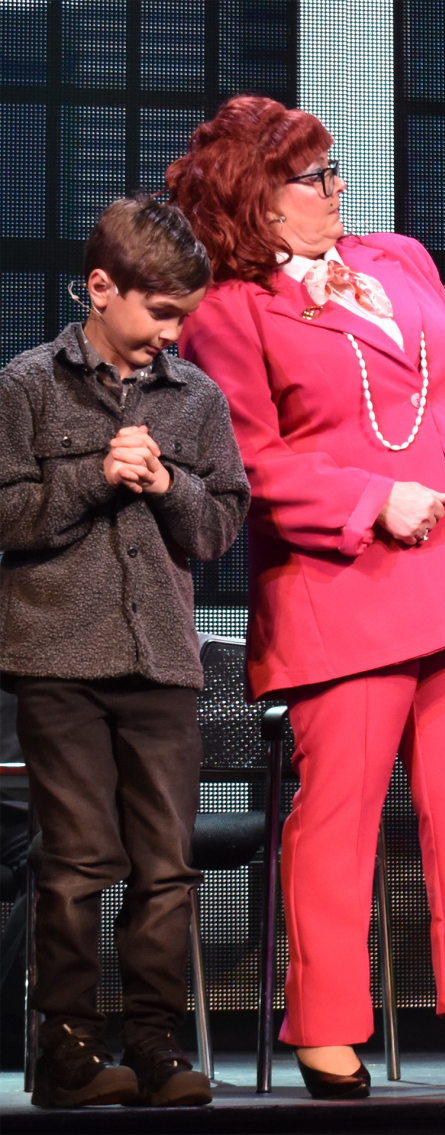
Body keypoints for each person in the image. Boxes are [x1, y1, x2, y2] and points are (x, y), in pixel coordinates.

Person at [168, 95, 445, 1099]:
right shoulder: (227, 310)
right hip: (342, 588)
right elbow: (244, 460)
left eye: (332, 168)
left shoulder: (400, 259)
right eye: (314, 176)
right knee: (337, 820)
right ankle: (328, 1024)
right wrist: (371, 499)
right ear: (256, 199)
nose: (336, 188)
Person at [0, 196, 250, 1108]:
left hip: (162, 667)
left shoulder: (197, 398)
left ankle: (154, 1041)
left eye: (184, 315)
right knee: (77, 861)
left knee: (165, 864)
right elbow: (5, 514)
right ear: (101, 287)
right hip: (58, 662)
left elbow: (221, 525)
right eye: (160, 311)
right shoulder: (27, 385)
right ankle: (66, 1050)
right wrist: (94, 477)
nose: (172, 333)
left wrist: (168, 481)